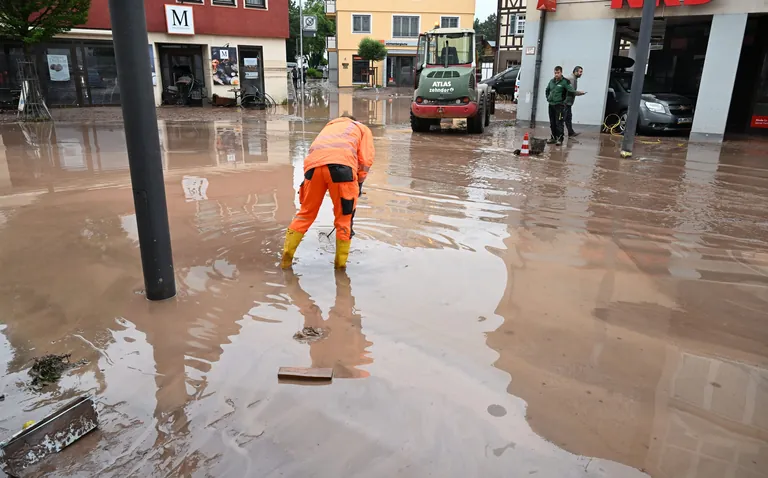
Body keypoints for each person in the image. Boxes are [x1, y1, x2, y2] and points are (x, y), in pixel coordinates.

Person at [281, 114, 375, 269]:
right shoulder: (361, 128)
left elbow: (313, 153)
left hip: (312, 170)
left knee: (305, 214)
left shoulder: (329, 127)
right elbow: (365, 160)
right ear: (354, 119)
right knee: (344, 220)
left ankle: (286, 260)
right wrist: (359, 182)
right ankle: (340, 269)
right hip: (342, 171)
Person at [546, 66, 585, 146]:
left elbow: (571, 91)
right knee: (552, 122)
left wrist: (578, 93)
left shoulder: (565, 82)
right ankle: (553, 137)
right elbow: (547, 90)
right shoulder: (551, 81)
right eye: (555, 73)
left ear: (561, 72)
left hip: (560, 105)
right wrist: (548, 98)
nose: (556, 74)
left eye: (558, 73)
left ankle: (560, 139)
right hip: (551, 105)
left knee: (559, 122)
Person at [565, 66, 585, 137]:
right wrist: (580, 93)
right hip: (566, 102)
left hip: (568, 102)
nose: (581, 73)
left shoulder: (573, 78)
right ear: (575, 71)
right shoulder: (572, 79)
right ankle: (557, 135)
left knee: (568, 117)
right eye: (580, 72)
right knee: (564, 118)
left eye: (581, 72)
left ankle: (571, 132)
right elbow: (572, 91)